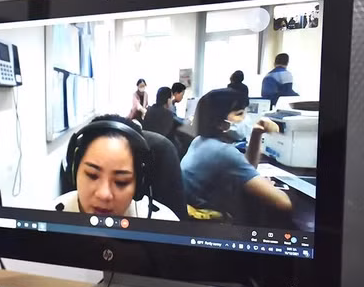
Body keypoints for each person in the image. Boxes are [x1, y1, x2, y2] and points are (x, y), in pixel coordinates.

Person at [181, 88, 292, 221]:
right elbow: (284, 203)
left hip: (193, 219)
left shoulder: (199, 141)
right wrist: (266, 186)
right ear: (219, 123)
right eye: (239, 114)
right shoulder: (224, 152)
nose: (246, 119)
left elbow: (248, 166)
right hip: (212, 227)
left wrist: (256, 134)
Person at [54, 115, 179, 221]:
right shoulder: (48, 220)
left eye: (121, 182)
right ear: (74, 170)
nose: (104, 194)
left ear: (139, 184)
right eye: (92, 175)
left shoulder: (165, 223)